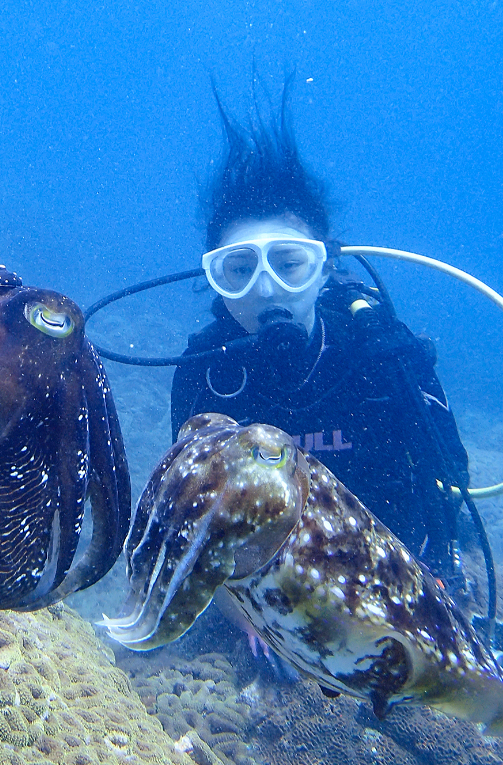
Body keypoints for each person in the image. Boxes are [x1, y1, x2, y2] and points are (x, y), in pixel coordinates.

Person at [170, 92, 472, 584]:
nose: (266, 289)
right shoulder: (207, 372)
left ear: (325, 267)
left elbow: (449, 482)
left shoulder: (385, 356)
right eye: (239, 270)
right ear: (216, 282)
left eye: (290, 264)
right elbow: (191, 520)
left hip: (392, 582)